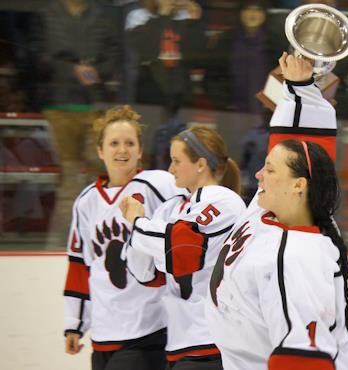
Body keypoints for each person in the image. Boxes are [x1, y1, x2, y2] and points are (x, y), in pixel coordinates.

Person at [205, 52, 348, 370]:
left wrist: (303, 90)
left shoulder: (298, 257)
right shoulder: (266, 211)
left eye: (270, 170)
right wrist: (299, 87)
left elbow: (302, 359)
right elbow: (298, 147)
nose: (259, 176)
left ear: (298, 186)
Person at [63, 105, 184, 370]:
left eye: (130, 143)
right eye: (114, 143)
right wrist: (74, 324)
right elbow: (80, 265)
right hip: (103, 332)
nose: (122, 150)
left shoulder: (159, 185)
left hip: (149, 328)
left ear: (140, 151)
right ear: (100, 150)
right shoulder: (86, 201)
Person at [118, 125, 245, 370]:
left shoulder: (224, 200)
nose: (170, 169)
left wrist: (138, 222)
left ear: (200, 164)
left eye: (176, 161)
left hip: (213, 343)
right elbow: (146, 274)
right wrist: (141, 227)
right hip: (179, 344)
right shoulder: (170, 208)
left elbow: (181, 249)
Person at [30, 0, 120, 246]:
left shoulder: (101, 14)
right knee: (68, 181)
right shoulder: (46, 14)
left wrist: (97, 72)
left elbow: (113, 54)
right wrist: (72, 71)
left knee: (97, 179)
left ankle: (96, 241)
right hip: (58, 108)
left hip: (94, 107)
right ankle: (59, 243)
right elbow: (37, 57)